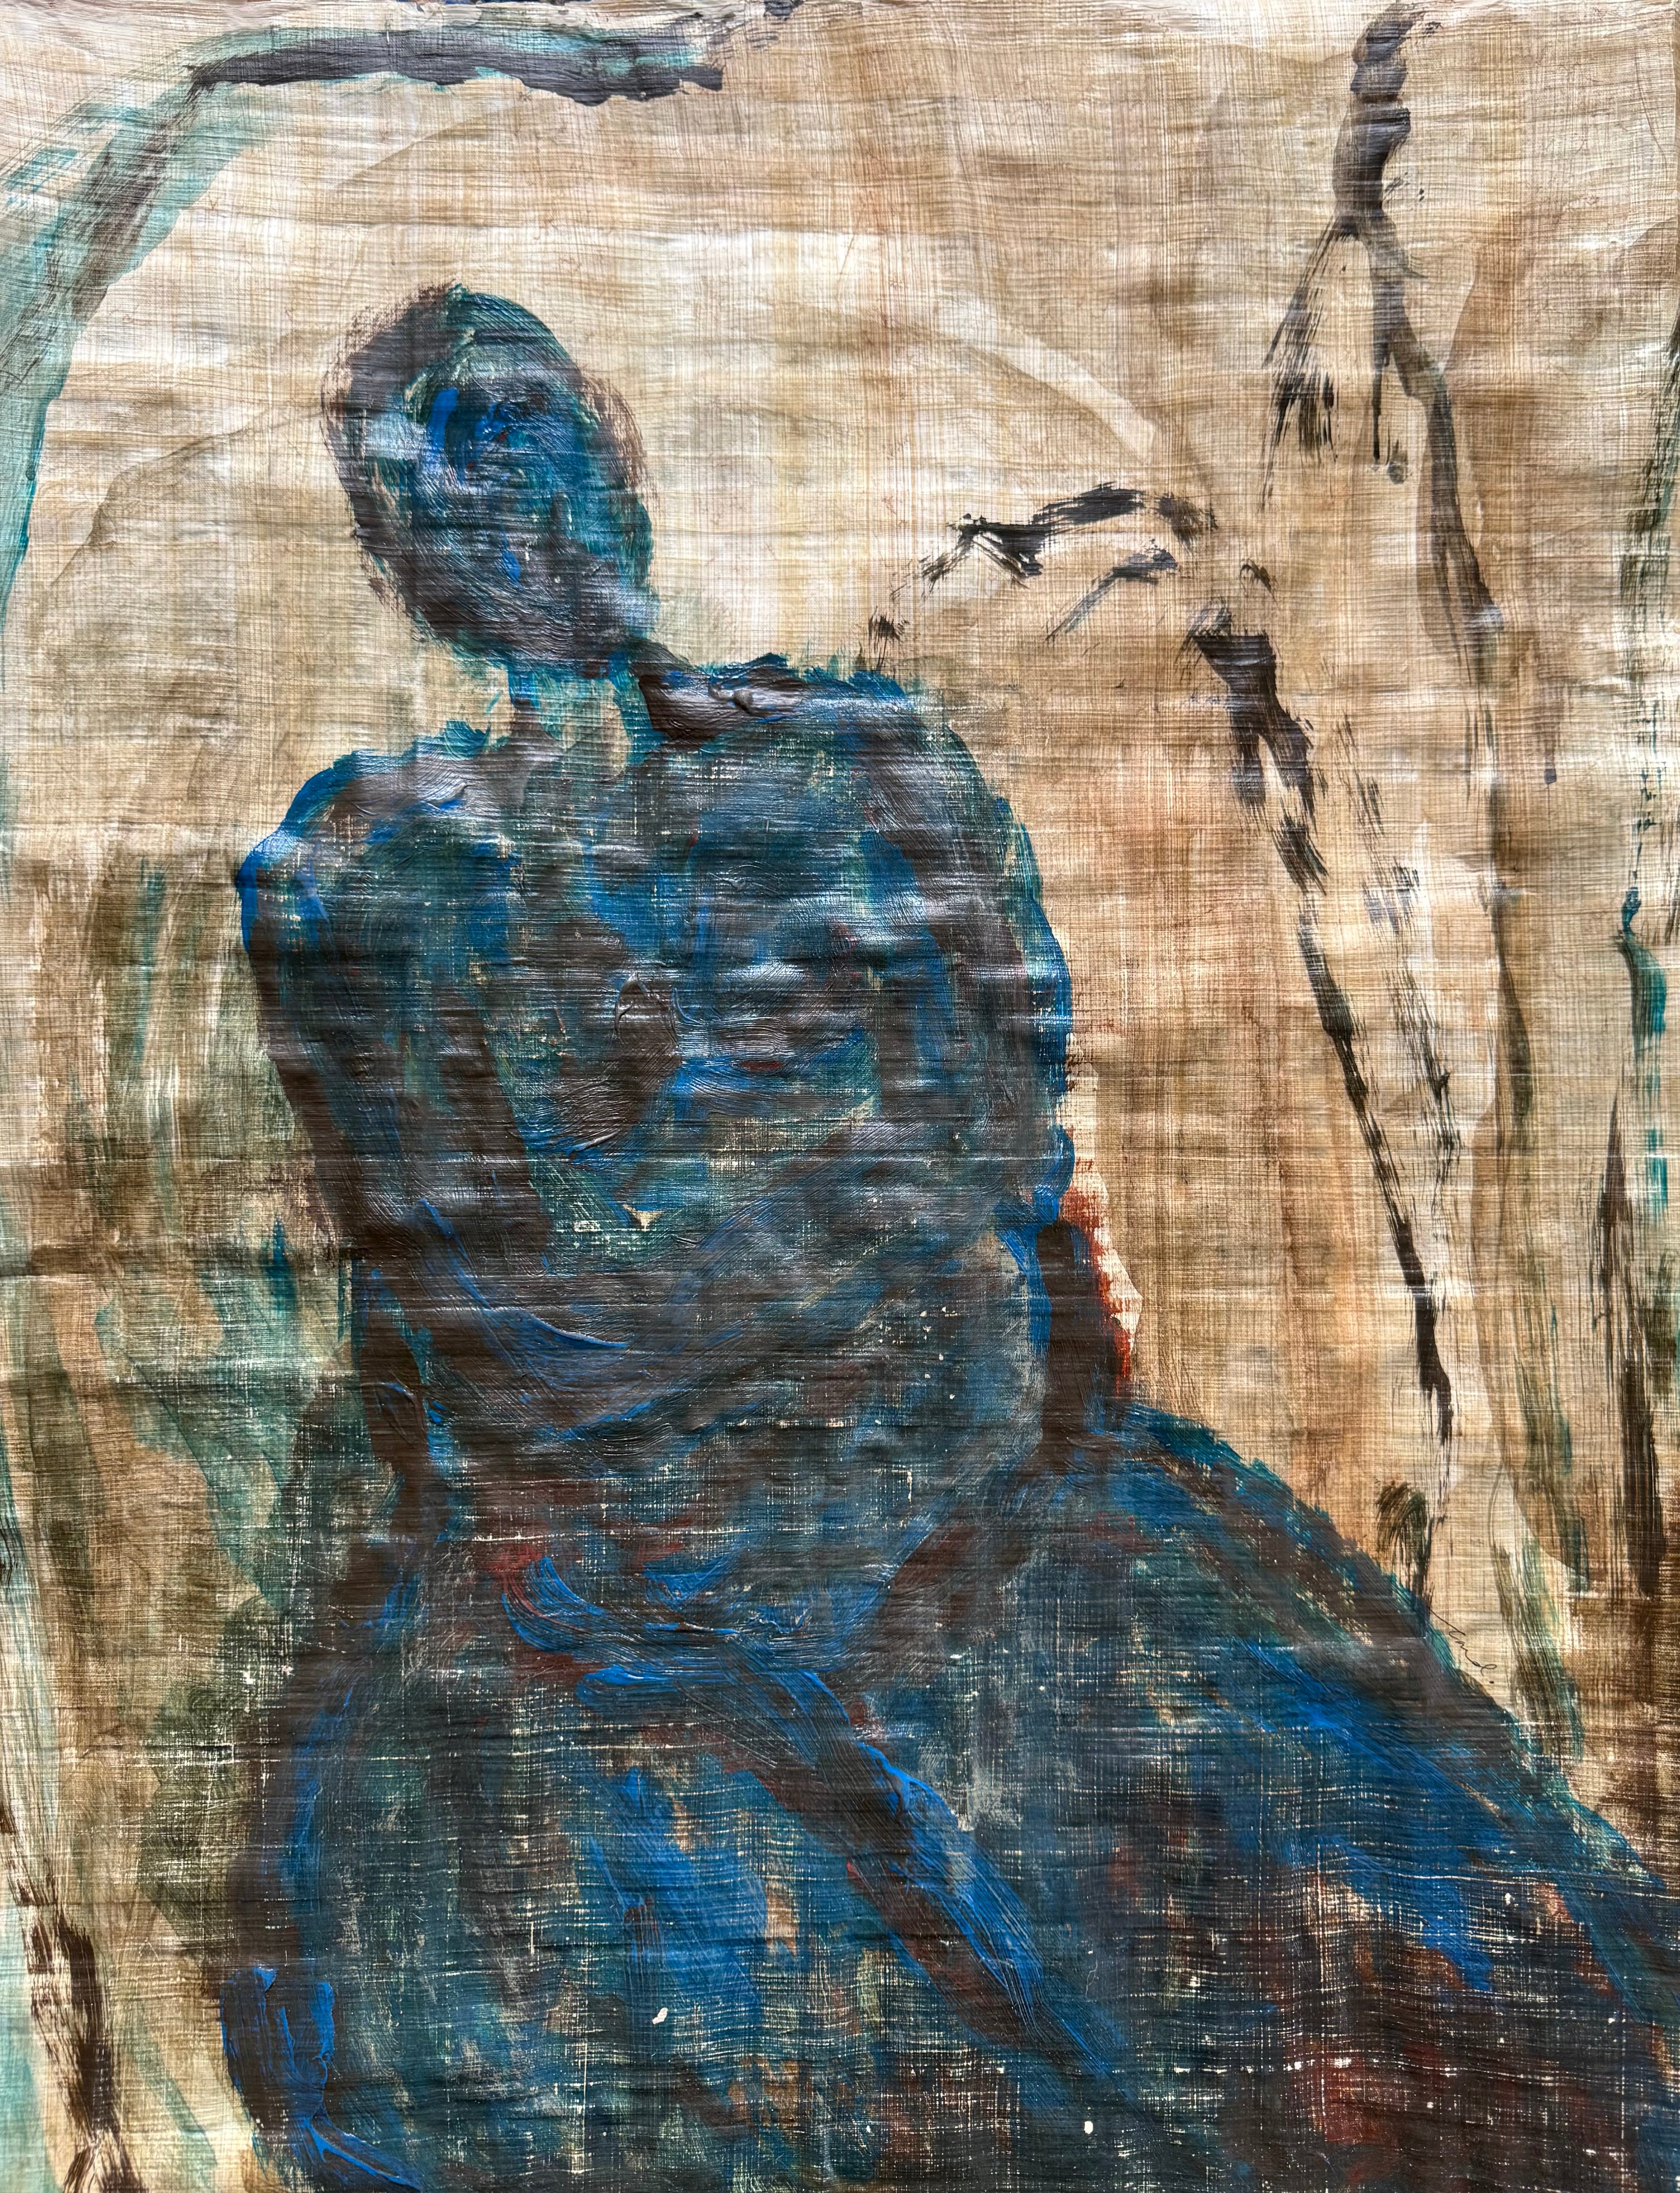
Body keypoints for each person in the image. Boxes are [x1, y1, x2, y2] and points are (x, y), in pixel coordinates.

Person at [222, 286, 1680, 2193]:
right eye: (464, 479)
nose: (519, 518)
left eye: (530, 449)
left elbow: (1001, 1163)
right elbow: (458, 1293)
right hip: (679, 1571)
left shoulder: (820, 774)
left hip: (919, 1506)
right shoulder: (390, 871)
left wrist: (969, 1420)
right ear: (418, 556)